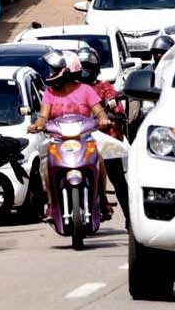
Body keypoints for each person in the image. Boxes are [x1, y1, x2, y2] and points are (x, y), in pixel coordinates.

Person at [28, 51, 112, 218]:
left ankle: (102, 199)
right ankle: (52, 205)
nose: (51, 73)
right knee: (47, 167)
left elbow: (99, 112)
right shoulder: (50, 92)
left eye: (55, 70)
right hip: (58, 140)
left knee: (99, 161)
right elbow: (43, 116)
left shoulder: (86, 90)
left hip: (83, 138)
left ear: (66, 71)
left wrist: (103, 119)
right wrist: (37, 125)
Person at [78, 46, 128, 224]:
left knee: (117, 178)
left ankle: (130, 218)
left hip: (105, 141)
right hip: (78, 140)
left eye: (88, 66)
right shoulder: (72, 90)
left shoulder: (105, 88)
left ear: (96, 68)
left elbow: (116, 108)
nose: (84, 71)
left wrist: (113, 114)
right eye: (81, 66)